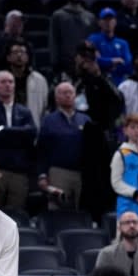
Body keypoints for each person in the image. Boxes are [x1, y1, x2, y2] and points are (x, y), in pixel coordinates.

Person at [0, 71, 38, 210]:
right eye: (3, 82)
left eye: (11, 82)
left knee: (15, 215)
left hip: (19, 171)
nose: (7, 85)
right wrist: (18, 134)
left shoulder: (24, 111)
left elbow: (32, 134)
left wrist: (3, 130)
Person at [36, 82, 91, 210]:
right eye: (63, 93)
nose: (67, 95)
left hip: (82, 174)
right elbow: (41, 150)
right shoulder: (48, 120)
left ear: (75, 96)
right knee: (58, 209)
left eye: (70, 92)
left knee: (83, 211)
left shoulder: (86, 120)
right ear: (56, 97)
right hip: (58, 172)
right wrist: (42, 174)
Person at [0, 39, 49, 132]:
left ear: (28, 57)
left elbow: (44, 108)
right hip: (1, 132)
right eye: (15, 52)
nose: (19, 55)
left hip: (29, 131)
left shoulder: (39, 80)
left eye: (22, 52)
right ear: (8, 57)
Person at [49, 0, 96, 76]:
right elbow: (54, 40)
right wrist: (55, 62)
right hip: (65, 63)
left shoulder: (90, 17)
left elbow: (93, 42)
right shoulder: (58, 15)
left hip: (85, 63)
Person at [87, 8, 133, 86]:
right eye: (105, 20)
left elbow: (128, 65)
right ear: (99, 22)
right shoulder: (93, 39)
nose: (108, 22)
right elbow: (93, 61)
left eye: (110, 19)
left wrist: (105, 63)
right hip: (99, 82)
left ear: (115, 22)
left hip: (119, 83)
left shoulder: (123, 43)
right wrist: (113, 61)